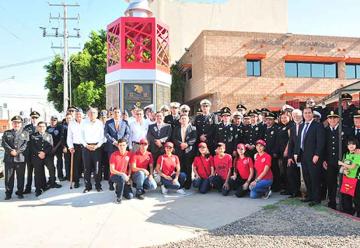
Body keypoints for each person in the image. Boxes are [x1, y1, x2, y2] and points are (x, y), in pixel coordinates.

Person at [294, 107, 325, 206]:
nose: (307, 114)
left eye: (309, 113)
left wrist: (317, 154)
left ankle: (316, 199)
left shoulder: (318, 125)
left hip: (313, 156)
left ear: (312, 114)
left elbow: (321, 142)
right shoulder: (302, 125)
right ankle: (310, 196)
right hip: (303, 156)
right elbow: (299, 141)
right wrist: (296, 153)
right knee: (307, 177)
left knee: (314, 177)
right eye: (305, 113)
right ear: (303, 115)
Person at [323, 110, 349, 209]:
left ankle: (344, 204)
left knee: (343, 183)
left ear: (338, 119)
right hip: (330, 162)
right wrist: (324, 159)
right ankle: (332, 202)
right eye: (330, 118)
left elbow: (348, 146)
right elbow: (323, 146)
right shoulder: (325, 131)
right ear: (328, 120)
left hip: (342, 162)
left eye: (334, 118)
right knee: (331, 182)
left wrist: (346, 161)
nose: (332, 119)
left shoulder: (345, 130)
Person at [30, 121, 62, 197]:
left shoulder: (49, 135)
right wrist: (39, 153)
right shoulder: (32, 136)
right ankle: (38, 189)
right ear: (37, 127)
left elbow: (51, 146)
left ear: (45, 127)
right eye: (40, 126)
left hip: (47, 156)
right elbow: (32, 146)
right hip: (37, 157)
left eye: (43, 126)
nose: (41, 128)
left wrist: (44, 152)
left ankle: (52, 183)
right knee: (38, 173)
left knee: (52, 169)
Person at [2, 116, 28, 200]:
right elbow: (4, 143)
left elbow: (25, 145)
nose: (16, 124)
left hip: (20, 158)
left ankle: (20, 192)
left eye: (18, 123)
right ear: (12, 123)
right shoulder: (6, 133)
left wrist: (17, 152)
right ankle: (8, 194)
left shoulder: (25, 133)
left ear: (21, 124)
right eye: (15, 122)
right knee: (9, 177)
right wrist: (11, 151)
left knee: (20, 176)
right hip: (9, 159)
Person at [104, 107, 130, 190]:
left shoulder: (125, 122)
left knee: (123, 165)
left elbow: (128, 133)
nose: (116, 114)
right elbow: (106, 134)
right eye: (115, 112)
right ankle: (111, 183)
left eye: (118, 112)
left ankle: (123, 180)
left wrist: (123, 142)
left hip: (122, 147)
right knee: (111, 165)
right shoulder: (108, 122)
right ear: (112, 113)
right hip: (112, 147)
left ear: (120, 114)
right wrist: (114, 142)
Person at [81, 107, 105, 193]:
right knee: (87, 168)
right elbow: (81, 136)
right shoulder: (83, 123)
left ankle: (98, 186)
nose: (92, 114)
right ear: (87, 114)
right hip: (86, 147)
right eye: (90, 113)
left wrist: (97, 146)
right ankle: (88, 187)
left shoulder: (100, 123)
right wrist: (86, 145)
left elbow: (102, 137)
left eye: (94, 113)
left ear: (97, 114)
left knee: (97, 168)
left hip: (97, 148)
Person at [172, 114, 197, 189]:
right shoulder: (176, 128)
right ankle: (181, 182)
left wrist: (186, 144)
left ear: (188, 120)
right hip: (179, 150)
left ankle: (188, 183)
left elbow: (194, 138)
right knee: (180, 167)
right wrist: (181, 144)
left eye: (185, 118)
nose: (183, 120)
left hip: (188, 150)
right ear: (180, 120)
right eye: (182, 118)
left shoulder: (193, 128)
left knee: (188, 167)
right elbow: (174, 138)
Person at [338, 138, 360, 216]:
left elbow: (352, 167)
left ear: (356, 145)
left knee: (357, 199)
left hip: (356, 179)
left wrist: (341, 163)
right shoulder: (346, 154)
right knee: (346, 196)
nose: (351, 146)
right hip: (347, 179)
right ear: (347, 146)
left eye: (353, 144)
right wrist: (343, 170)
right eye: (349, 144)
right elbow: (341, 169)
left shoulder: (358, 154)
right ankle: (349, 212)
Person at [109, 138, 133, 204]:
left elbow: (130, 167)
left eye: (123, 145)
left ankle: (118, 187)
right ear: (118, 146)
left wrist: (129, 176)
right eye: (120, 145)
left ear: (126, 145)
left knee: (130, 196)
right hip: (115, 175)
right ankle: (119, 197)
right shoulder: (113, 155)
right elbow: (112, 170)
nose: (122, 147)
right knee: (121, 178)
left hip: (125, 177)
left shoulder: (129, 154)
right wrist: (122, 174)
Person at [23, 111, 40, 194]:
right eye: (33, 117)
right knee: (29, 173)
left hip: (37, 154)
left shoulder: (41, 126)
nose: (34, 119)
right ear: (31, 118)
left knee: (38, 172)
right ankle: (28, 188)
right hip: (29, 154)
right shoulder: (27, 127)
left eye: (36, 117)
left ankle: (38, 189)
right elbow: (24, 140)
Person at [287, 109, 302, 198]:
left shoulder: (305, 126)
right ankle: (295, 191)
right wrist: (289, 156)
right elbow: (291, 143)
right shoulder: (292, 128)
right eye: (294, 116)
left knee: (305, 175)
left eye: (298, 115)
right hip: (293, 154)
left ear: (301, 116)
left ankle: (307, 193)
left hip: (303, 154)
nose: (296, 117)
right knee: (291, 173)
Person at [67, 108, 84, 188]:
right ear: (75, 115)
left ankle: (87, 180)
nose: (78, 116)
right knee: (76, 165)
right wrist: (70, 147)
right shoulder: (71, 123)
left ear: (82, 115)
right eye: (77, 114)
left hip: (85, 145)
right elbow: (69, 136)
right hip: (76, 146)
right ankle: (76, 181)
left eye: (80, 114)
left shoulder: (86, 122)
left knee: (86, 164)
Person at [263, 112, 280, 191]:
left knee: (274, 169)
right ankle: (269, 185)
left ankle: (276, 186)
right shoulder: (265, 128)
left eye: (270, 120)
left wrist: (275, 152)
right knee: (267, 170)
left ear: (274, 120)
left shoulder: (276, 128)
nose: (268, 121)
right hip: (265, 153)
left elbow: (277, 142)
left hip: (272, 153)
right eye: (267, 120)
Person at [276, 111, 292, 195]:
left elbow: (290, 140)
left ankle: (290, 189)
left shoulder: (290, 126)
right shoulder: (281, 126)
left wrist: (286, 150)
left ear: (289, 117)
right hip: (281, 152)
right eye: (282, 118)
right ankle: (286, 188)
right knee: (284, 171)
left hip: (287, 152)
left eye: (285, 117)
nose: (283, 119)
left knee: (288, 171)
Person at [47, 116, 65, 181]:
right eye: (52, 120)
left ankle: (60, 176)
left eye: (54, 120)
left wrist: (55, 147)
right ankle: (52, 177)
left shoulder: (60, 127)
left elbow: (61, 138)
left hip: (58, 147)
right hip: (49, 148)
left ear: (56, 121)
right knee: (50, 164)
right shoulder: (47, 128)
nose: (53, 121)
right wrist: (51, 148)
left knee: (59, 162)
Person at [62, 113, 73, 180]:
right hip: (66, 147)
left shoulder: (74, 125)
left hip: (73, 146)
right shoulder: (64, 126)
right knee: (67, 162)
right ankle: (68, 176)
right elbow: (62, 138)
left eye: (70, 118)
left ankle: (74, 175)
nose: (68, 119)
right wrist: (64, 147)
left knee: (74, 162)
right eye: (67, 118)